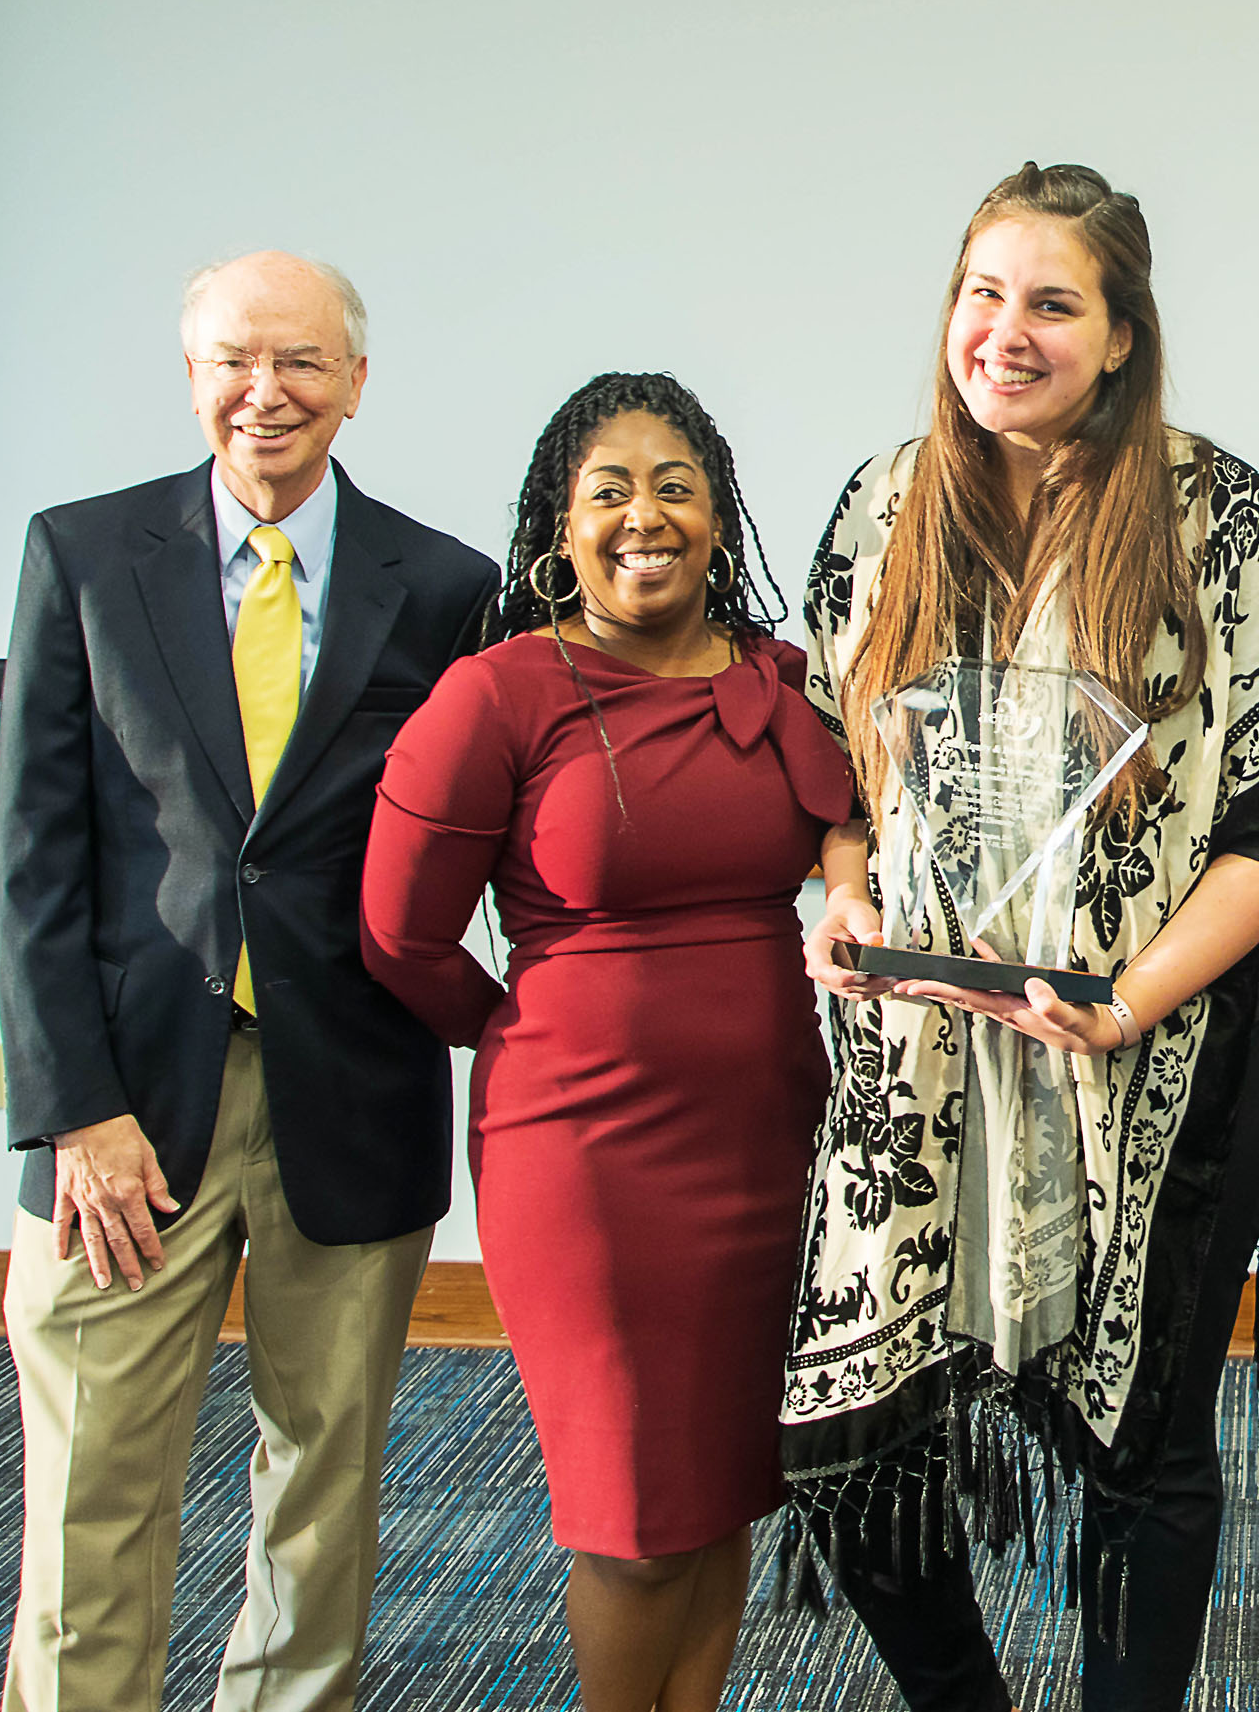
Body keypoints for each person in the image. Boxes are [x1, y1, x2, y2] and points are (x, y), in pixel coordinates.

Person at [781, 161, 1259, 1712]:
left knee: (1140, 1453)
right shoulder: (878, 505)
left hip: (1171, 1059)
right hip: (921, 1061)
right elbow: (835, 785)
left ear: (1121, 336)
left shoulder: (1216, 514)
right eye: (985, 294)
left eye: (1054, 302)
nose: (1009, 329)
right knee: (854, 1442)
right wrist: (845, 896)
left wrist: (1129, 996)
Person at [0, 251, 497, 1712]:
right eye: (231, 360)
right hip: (125, 1110)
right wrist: (70, 1109)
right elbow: (35, 860)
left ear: (355, 383)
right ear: (193, 375)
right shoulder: (83, 557)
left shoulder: (447, 587)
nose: (262, 392)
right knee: (91, 1486)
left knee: (320, 1489)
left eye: (298, 362)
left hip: (348, 1091)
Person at [359, 372, 850, 1712]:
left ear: (721, 514)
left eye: (678, 486)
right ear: (558, 530)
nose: (648, 515)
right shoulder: (500, 693)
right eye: (610, 490)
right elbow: (399, 936)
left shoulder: (777, 683)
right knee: (633, 1517)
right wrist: (523, 1035)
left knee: (728, 1483)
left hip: (768, 1140)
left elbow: (858, 823)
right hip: (585, 1157)